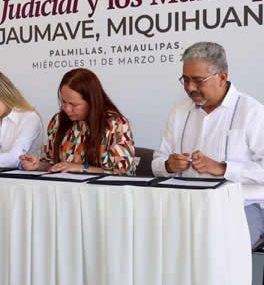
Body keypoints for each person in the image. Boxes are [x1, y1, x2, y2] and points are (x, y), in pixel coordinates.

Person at [151, 42, 264, 247]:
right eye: (185, 80)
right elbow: (157, 163)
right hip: (184, 206)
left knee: (218, 248)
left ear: (222, 77)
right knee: (155, 243)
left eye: (198, 80)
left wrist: (223, 168)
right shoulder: (179, 111)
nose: (189, 88)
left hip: (240, 207)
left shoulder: (252, 112)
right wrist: (168, 165)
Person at [20, 68, 136, 175]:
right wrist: (39, 165)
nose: (67, 109)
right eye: (63, 101)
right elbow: (53, 163)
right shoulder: (58, 121)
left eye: (74, 104)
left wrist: (81, 168)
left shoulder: (116, 124)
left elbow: (124, 172)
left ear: (92, 101)